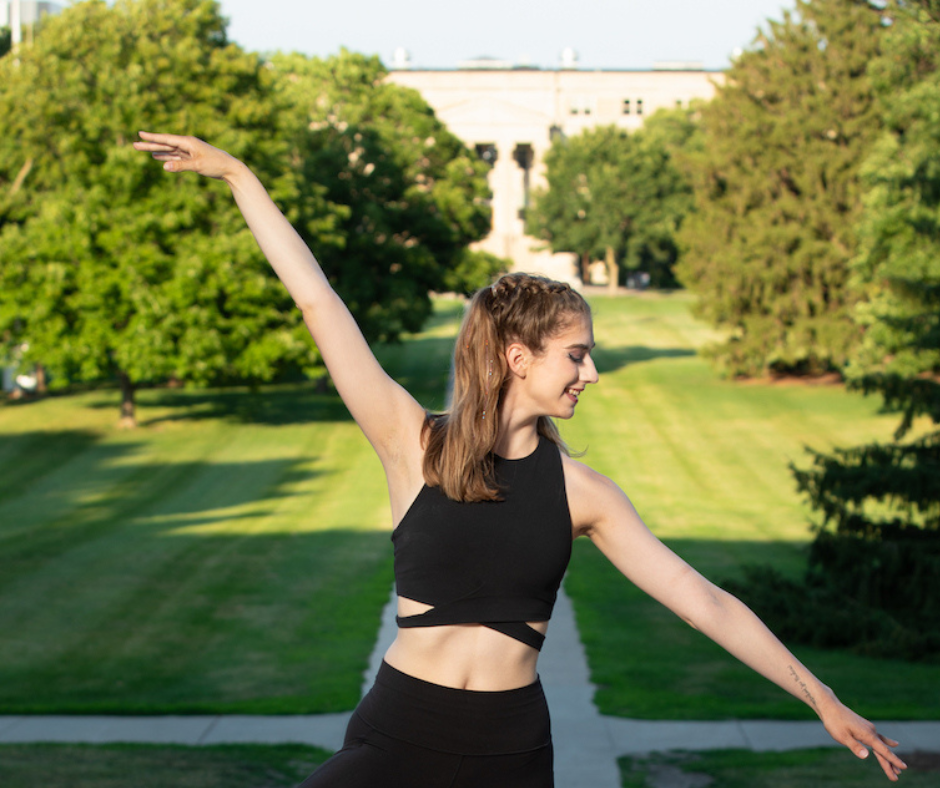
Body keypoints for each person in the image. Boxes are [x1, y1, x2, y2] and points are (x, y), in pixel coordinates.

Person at [133, 131, 908, 786]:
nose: (592, 374)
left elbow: (703, 601)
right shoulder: (413, 442)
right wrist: (240, 177)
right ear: (517, 356)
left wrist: (822, 698)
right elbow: (318, 301)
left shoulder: (586, 495)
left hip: (509, 751)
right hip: (397, 736)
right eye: (577, 356)